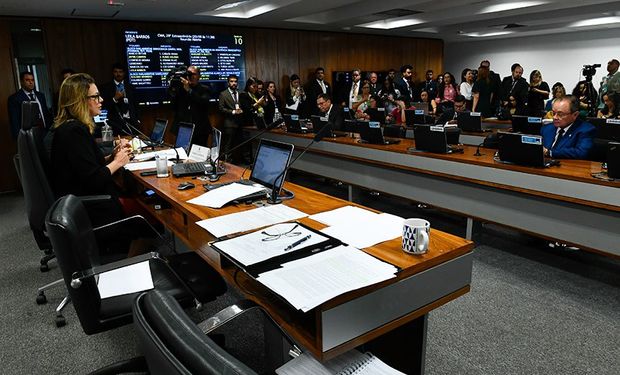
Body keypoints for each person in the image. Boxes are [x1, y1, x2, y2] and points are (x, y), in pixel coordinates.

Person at [44, 73, 148, 254]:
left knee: (145, 201)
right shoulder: (74, 132)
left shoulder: (70, 128)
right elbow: (93, 180)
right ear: (80, 100)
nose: (101, 100)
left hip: (84, 203)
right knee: (150, 212)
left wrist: (111, 158)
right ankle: (129, 265)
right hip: (93, 209)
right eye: (95, 96)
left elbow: (85, 167)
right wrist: (118, 162)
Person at [168, 65, 211, 146]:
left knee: (199, 155)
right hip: (183, 129)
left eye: (193, 74)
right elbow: (173, 106)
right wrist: (173, 87)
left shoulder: (205, 89)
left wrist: (189, 90)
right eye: (188, 74)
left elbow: (202, 102)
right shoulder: (181, 89)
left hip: (200, 130)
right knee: (182, 154)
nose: (190, 76)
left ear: (199, 76)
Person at [8, 71, 53, 140]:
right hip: (28, 136)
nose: (31, 82)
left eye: (32, 80)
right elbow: (14, 120)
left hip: (45, 131)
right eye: (27, 80)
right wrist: (19, 138)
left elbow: (45, 113)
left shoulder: (40, 95)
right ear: (21, 82)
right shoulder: (14, 98)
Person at [100, 63, 140, 136]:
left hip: (132, 122)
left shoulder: (131, 87)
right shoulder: (106, 87)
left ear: (124, 73)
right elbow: (104, 105)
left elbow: (136, 105)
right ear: (113, 73)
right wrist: (114, 99)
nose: (118, 74)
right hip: (116, 124)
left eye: (120, 72)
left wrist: (137, 119)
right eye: (116, 72)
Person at [218, 74, 244, 161]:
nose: (234, 83)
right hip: (229, 123)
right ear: (228, 83)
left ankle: (237, 163)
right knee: (228, 145)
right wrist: (233, 111)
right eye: (231, 81)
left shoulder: (240, 93)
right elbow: (221, 109)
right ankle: (226, 162)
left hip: (240, 123)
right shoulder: (223, 94)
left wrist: (242, 110)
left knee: (238, 144)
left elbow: (244, 105)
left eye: (235, 81)